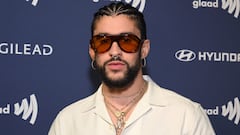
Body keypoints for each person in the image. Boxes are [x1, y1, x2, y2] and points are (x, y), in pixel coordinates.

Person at [48, 2, 215, 135]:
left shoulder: (186, 116)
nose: (115, 51)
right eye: (103, 41)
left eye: (127, 41)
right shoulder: (68, 121)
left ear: (144, 49)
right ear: (92, 51)